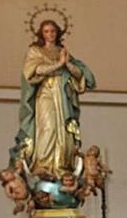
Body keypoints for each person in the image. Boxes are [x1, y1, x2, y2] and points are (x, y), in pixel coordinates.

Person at [9, 19, 96, 183]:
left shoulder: (63, 52)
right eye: (46, 31)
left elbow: (79, 75)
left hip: (63, 95)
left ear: (58, 33)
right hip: (46, 94)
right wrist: (58, 65)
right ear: (41, 34)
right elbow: (34, 71)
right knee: (48, 128)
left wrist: (67, 64)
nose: (50, 34)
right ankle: (44, 165)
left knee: (64, 130)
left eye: (53, 31)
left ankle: (62, 166)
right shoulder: (36, 51)